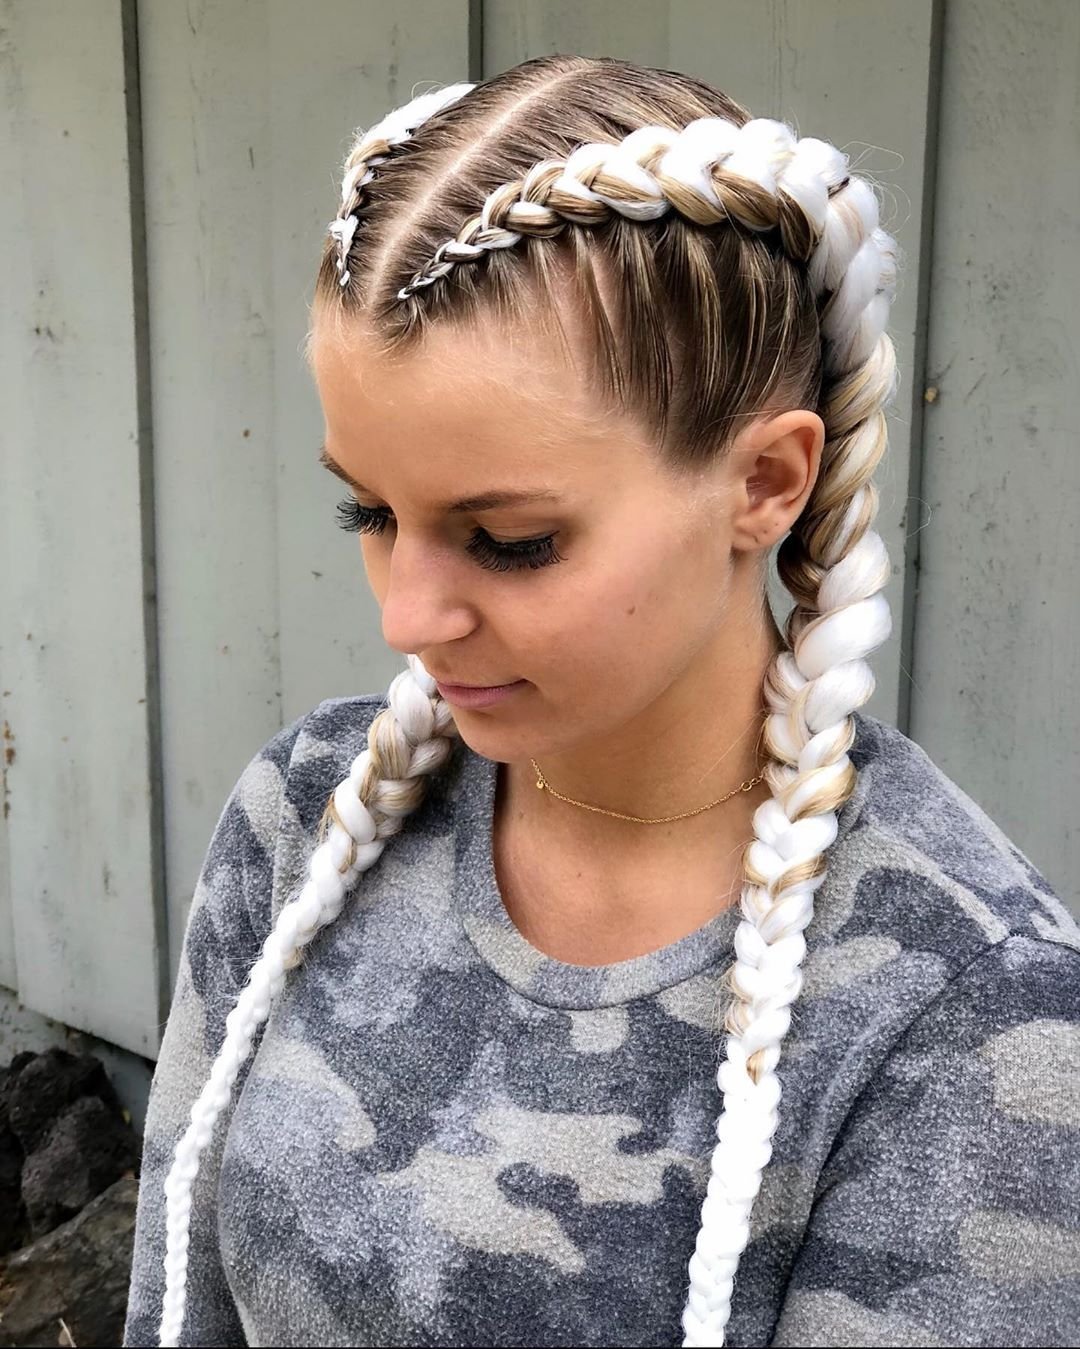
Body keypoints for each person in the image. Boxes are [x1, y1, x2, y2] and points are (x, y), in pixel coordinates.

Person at [122, 55, 1080, 1348]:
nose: (408, 618)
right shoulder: (310, 819)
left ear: (767, 483)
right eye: (372, 513)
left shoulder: (972, 1018)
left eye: (510, 540)